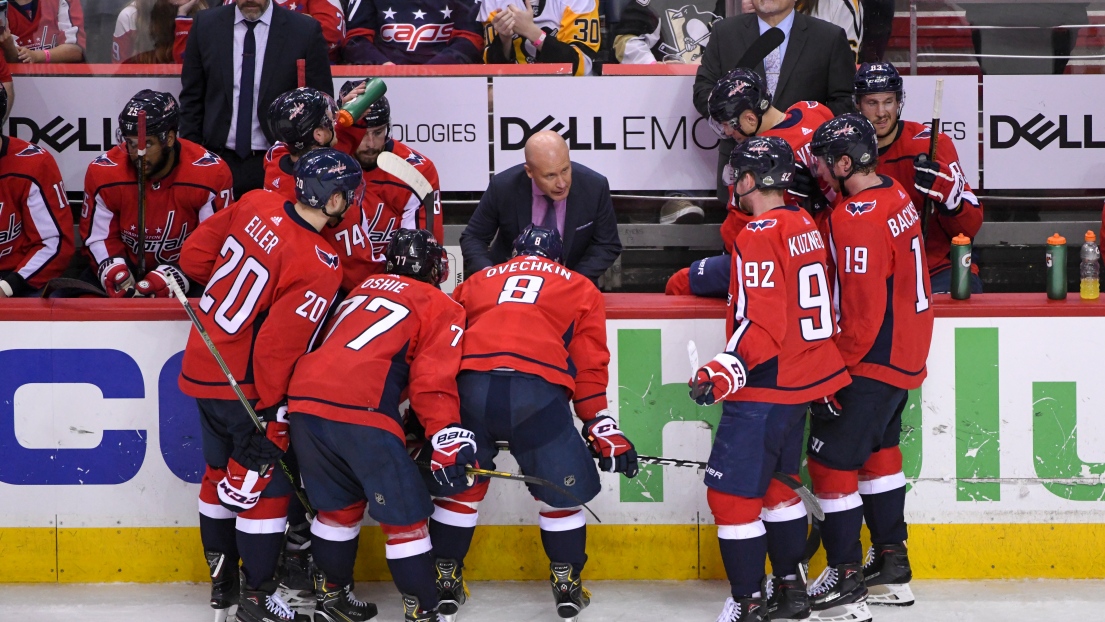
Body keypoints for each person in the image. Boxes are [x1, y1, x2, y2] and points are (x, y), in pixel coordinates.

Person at [177, 148, 360, 622]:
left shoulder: (257, 201)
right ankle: (258, 599)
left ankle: (223, 587)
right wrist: (277, 411)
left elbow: (195, 257)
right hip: (247, 387)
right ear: (334, 201)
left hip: (203, 363)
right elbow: (277, 348)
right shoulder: (320, 260)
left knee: (219, 477)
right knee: (267, 489)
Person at [428, 224, 638, 622]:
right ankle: (566, 582)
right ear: (557, 259)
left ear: (512, 256)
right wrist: (599, 425)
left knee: (461, 488)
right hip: (536, 394)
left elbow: (445, 343)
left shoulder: (476, 281)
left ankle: (444, 575)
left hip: (471, 388)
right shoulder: (580, 287)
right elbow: (589, 366)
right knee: (560, 496)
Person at [688, 136, 849, 622]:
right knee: (779, 487)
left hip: (765, 385)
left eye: (738, 174)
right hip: (800, 385)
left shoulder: (757, 233)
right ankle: (791, 590)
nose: (734, 183)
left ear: (753, 179)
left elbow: (763, 322)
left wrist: (725, 368)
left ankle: (748, 602)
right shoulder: (804, 223)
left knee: (732, 496)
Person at [286, 228, 471, 622]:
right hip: (362, 408)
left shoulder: (364, 287)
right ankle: (422, 610)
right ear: (433, 268)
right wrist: (445, 434)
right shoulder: (440, 303)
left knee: (337, 511)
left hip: (304, 400)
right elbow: (431, 381)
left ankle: (331, 599)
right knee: (406, 522)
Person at [805, 113, 934, 616]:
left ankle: (845, 576)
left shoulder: (854, 217)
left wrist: (834, 372)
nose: (817, 172)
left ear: (843, 163)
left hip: (871, 358)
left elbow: (860, 309)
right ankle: (891, 564)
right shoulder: (896, 194)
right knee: (879, 454)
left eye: (822, 163)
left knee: (830, 461)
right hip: (904, 355)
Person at [666, 68, 834, 297]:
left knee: (679, 282)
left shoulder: (756, 158)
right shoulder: (814, 111)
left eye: (728, 124)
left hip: (777, 259)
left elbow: (735, 238)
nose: (727, 131)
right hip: (823, 248)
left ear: (750, 118)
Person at [693, 0, 855, 201]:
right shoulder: (724, 32)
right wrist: (733, 121)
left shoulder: (828, 37)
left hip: (805, 177)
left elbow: (842, 102)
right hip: (741, 175)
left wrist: (807, 149)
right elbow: (702, 90)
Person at [82, 89, 233, 298]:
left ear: (169, 139)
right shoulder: (104, 172)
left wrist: (172, 278)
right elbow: (99, 237)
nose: (138, 154)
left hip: (186, 274)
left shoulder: (210, 173)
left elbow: (214, 245)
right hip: (128, 268)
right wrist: (113, 270)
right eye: (131, 144)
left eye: (148, 143)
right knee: (67, 299)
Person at [179, 0, 333, 199]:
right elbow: (192, 99)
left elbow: (321, 103)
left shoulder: (304, 31)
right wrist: (194, 158)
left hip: (279, 164)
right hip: (216, 161)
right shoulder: (205, 25)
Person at [852, 62, 984, 294]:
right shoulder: (846, 152)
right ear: (857, 104)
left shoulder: (932, 144)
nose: (881, 112)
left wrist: (951, 202)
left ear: (899, 102)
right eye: (872, 103)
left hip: (937, 270)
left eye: (888, 102)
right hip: (875, 274)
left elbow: (971, 225)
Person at [265, 87, 390, 294]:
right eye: (330, 118)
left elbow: (325, 144)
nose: (336, 120)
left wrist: (347, 112)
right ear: (319, 134)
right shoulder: (325, 192)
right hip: (340, 290)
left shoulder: (276, 157)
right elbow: (354, 270)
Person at [460, 131, 621, 284]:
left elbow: (607, 244)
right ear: (529, 171)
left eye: (565, 170)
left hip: (573, 287)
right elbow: (473, 237)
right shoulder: (503, 187)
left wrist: (573, 282)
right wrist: (489, 274)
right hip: (510, 287)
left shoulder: (594, 186)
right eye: (550, 175)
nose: (562, 183)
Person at [335, 85, 445, 250]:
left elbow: (424, 255)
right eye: (363, 134)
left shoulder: (416, 171)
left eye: (378, 133)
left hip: (393, 271)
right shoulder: (322, 165)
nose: (370, 144)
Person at [0, 86, 73, 298]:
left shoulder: (33, 164)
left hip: (21, 278)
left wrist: (7, 287)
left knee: (50, 307)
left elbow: (55, 244)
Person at [479, 0, 600, 76]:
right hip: (515, 89)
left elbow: (581, 67)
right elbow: (492, 70)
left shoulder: (580, 2)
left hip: (569, 90)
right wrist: (504, 39)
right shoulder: (493, 2)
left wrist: (531, 32)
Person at [342, 0, 482, 65]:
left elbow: (471, 40)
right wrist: (385, 67)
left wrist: (431, 71)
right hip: (382, 83)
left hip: (447, 81)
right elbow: (355, 39)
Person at [610, 0, 720, 65]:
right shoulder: (651, 4)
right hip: (661, 88)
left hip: (720, 88)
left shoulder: (730, 4)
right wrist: (655, 67)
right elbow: (626, 42)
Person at [113, 0, 206, 63]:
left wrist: (182, 16)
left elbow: (192, 71)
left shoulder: (202, 11)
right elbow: (120, 75)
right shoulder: (131, 15)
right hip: (142, 87)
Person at [4, 0, 86, 63]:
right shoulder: (3, 8)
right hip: (18, 80)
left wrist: (37, 56)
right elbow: (14, 59)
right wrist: (8, 46)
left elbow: (77, 50)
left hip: (66, 78)